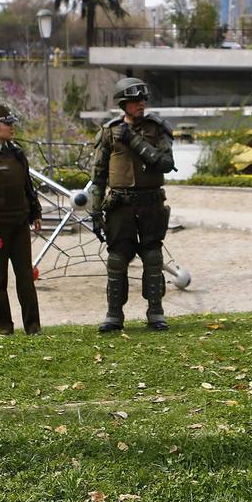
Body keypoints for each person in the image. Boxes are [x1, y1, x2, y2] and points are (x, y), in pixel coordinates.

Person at [88, 77, 175, 332]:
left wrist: (135, 141)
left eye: (143, 100)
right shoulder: (109, 132)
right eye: (135, 101)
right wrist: (95, 211)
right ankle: (114, 315)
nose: (141, 105)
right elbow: (98, 176)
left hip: (151, 203)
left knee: (152, 256)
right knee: (116, 259)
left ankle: (155, 312)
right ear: (123, 104)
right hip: (120, 204)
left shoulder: (157, 129)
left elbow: (166, 164)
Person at [0, 103, 42, 335]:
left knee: (25, 277)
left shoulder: (16, 153)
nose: (11, 127)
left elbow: (27, 187)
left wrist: (35, 212)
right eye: (7, 123)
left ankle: (33, 326)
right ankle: (1, 328)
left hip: (19, 224)